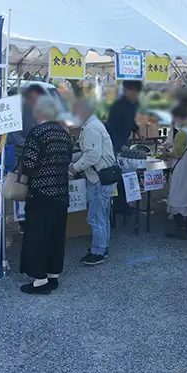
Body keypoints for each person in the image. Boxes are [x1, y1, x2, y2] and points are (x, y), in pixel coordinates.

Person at [19, 96, 74, 295]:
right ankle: (53, 275)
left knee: (37, 236)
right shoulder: (64, 133)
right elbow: (68, 159)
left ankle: (39, 280)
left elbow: (29, 164)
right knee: (56, 236)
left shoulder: (38, 133)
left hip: (41, 194)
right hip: (61, 193)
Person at [69, 100, 117, 266]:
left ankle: (98, 252)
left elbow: (92, 156)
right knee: (103, 215)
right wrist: (72, 158)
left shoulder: (91, 128)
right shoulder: (93, 125)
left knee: (96, 217)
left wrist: (74, 168)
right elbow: (87, 152)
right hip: (103, 177)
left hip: (98, 179)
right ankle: (103, 247)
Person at [106, 80, 142, 214]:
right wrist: (119, 146)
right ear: (128, 91)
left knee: (128, 173)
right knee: (119, 174)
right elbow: (110, 127)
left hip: (123, 142)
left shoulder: (133, 105)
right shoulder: (117, 106)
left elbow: (131, 121)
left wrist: (137, 131)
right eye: (135, 92)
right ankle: (118, 205)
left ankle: (124, 202)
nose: (136, 95)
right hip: (114, 144)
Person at [165, 104, 187, 238]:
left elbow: (177, 154)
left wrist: (165, 153)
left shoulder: (182, 133)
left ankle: (179, 227)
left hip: (182, 167)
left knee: (177, 196)